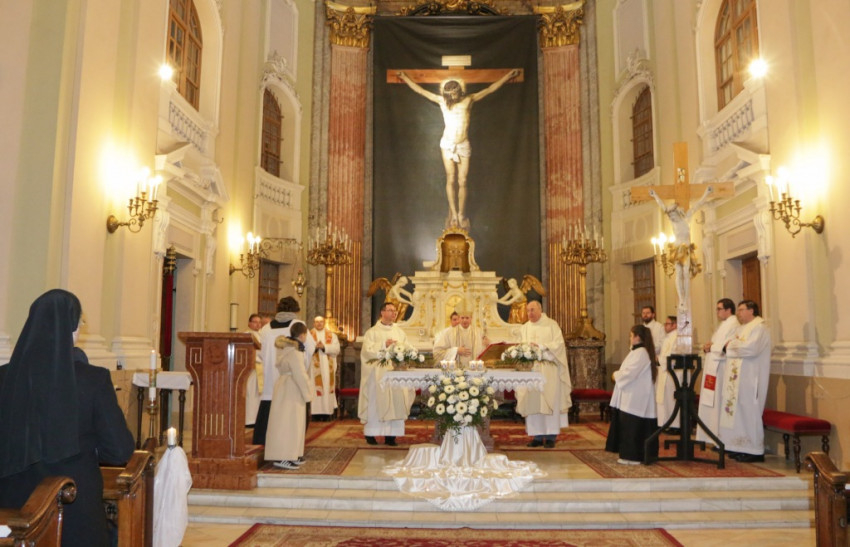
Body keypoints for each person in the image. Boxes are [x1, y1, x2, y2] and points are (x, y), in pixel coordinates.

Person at [0, 289, 135, 547]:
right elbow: (119, 450)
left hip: (13, 512)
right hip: (75, 512)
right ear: (71, 328)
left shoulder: (4, 378)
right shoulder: (93, 379)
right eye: (80, 323)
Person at [397, 69, 520, 229]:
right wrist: (405, 77)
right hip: (447, 144)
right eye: (451, 95)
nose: (453, 98)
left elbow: (490, 89)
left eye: (455, 94)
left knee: (463, 180)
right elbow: (420, 91)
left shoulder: (468, 100)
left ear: (459, 92)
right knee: (451, 178)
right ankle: (454, 215)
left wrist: (508, 76)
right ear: (447, 94)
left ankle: (461, 214)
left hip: (462, 144)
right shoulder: (442, 101)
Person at [253, 296, 315, 446]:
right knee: (289, 412)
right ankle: (286, 445)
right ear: (295, 310)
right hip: (289, 378)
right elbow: (309, 349)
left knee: (268, 405)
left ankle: (263, 441)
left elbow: (260, 352)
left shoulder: (266, 328)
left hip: (270, 376)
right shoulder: (298, 325)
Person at [717, 300, 772, 462]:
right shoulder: (741, 328)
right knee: (737, 413)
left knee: (750, 413)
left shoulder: (760, 328)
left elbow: (751, 349)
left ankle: (755, 450)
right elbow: (731, 344)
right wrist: (732, 344)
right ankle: (739, 446)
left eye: (741, 310)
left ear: (751, 310)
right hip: (738, 380)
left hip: (751, 379)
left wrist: (730, 345)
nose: (738, 313)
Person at [516, 300, 572, 449]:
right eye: (528, 310)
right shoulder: (525, 328)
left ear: (540, 309)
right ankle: (537, 436)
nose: (530, 313)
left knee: (550, 401)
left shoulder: (551, 325)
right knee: (533, 402)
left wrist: (541, 347)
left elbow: (559, 345)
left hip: (549, 370)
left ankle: (551, 436)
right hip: (531, 371)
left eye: (532, 310)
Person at [358, 302, 416, 446]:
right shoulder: (372, 332)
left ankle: (391, 436)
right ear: (382, 312)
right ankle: (371, 434)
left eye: (394, 311)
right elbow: (367, 352)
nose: (394, 313)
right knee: (375, 403)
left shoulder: (399, 332)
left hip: (395, 373)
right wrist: (384, 345)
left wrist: (409, 351)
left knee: (395, 403)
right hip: (377, 375)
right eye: (390, 310)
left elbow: (406, 346)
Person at [649, 185, 714, 312]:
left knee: (685, 273)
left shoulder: (686, 218)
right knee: (678, 274)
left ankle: (685, 299)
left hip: (686, 249)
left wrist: (706, 193)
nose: (671, 218)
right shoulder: (673, 222)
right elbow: (662, 206)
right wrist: (655, 195)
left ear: (677, 214)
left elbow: (698, 204)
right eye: (670, 217)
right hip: (677, 249)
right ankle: (681, 300)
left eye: (673, 216)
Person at [606, 325, 660, 464]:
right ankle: (629, 455)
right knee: (628, 426)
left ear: (638, 337)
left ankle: (633, 456)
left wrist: (615, 375)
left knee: (632, 427)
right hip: (632, 395)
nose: (629, 339)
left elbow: (630, 372)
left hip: (635, 397)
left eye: (631, 336)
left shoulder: (641, 353)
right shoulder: (637, 352)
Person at [266, 322, 312, 470]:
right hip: (292, 387)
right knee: (288, 424)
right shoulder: (295, 351)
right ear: (302, 335)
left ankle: (292, 454)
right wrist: (308, 394)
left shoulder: (284, 347)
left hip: (284, 385)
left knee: (290, 423)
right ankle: (283, 457)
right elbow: (300, 374)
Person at [696, 298, 739, 446]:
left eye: (719, 309)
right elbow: (717, 344)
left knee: (718, 402)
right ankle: (711, 436)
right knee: (712, 402)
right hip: (713, 368)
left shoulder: (734, 324)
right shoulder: (723, 325)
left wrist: (712, 347)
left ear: (728, 310)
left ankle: (719, 438)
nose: (717, 312)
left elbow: (727, 346)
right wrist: (709, 346)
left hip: (721, 369)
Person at [432, 303, 489, 368]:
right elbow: (437, 352)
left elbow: (485, 352)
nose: (465, 320)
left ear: (471, 318)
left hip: (475, 370)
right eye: (462, 318)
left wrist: (487, 345)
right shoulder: (449, 332)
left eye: (467, 318)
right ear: (459, 318)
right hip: (456, 371)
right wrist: (455, 351)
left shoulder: (479, 332)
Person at [309, 316, 340, 420]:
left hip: (327, 367)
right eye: (317, 322)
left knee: (326, 387)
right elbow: (305, 349)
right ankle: (314, 413)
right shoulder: (309, 335)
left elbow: (336, 349)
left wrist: (324, 347)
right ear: (313, 323)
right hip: (313, 368)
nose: (319, 324)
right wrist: (315, 347)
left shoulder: (332, 335)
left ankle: (327, 412)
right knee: (314, 388)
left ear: (324, 323)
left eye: (321, 322)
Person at [655, 315, 680, 430]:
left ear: (674, 325)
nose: (665, 326)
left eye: (667, 324)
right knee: (665, 399)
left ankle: (675, 425)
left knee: (671, 400)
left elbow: (674, 356)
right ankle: (666, 424)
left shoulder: (678, 337)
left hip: (672, 374)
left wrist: (659, 359)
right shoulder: (668, 337)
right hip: (664, 372)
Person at [244, 313, 263, 427]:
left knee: (258, 395)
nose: (258, 324)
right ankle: (249, 420)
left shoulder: (261, 335)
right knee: (251, 393)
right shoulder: (247, 335)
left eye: (259, 322)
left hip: (260, 367)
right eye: (255, 322)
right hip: (251, 368)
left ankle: (256, 419)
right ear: (249, 323)